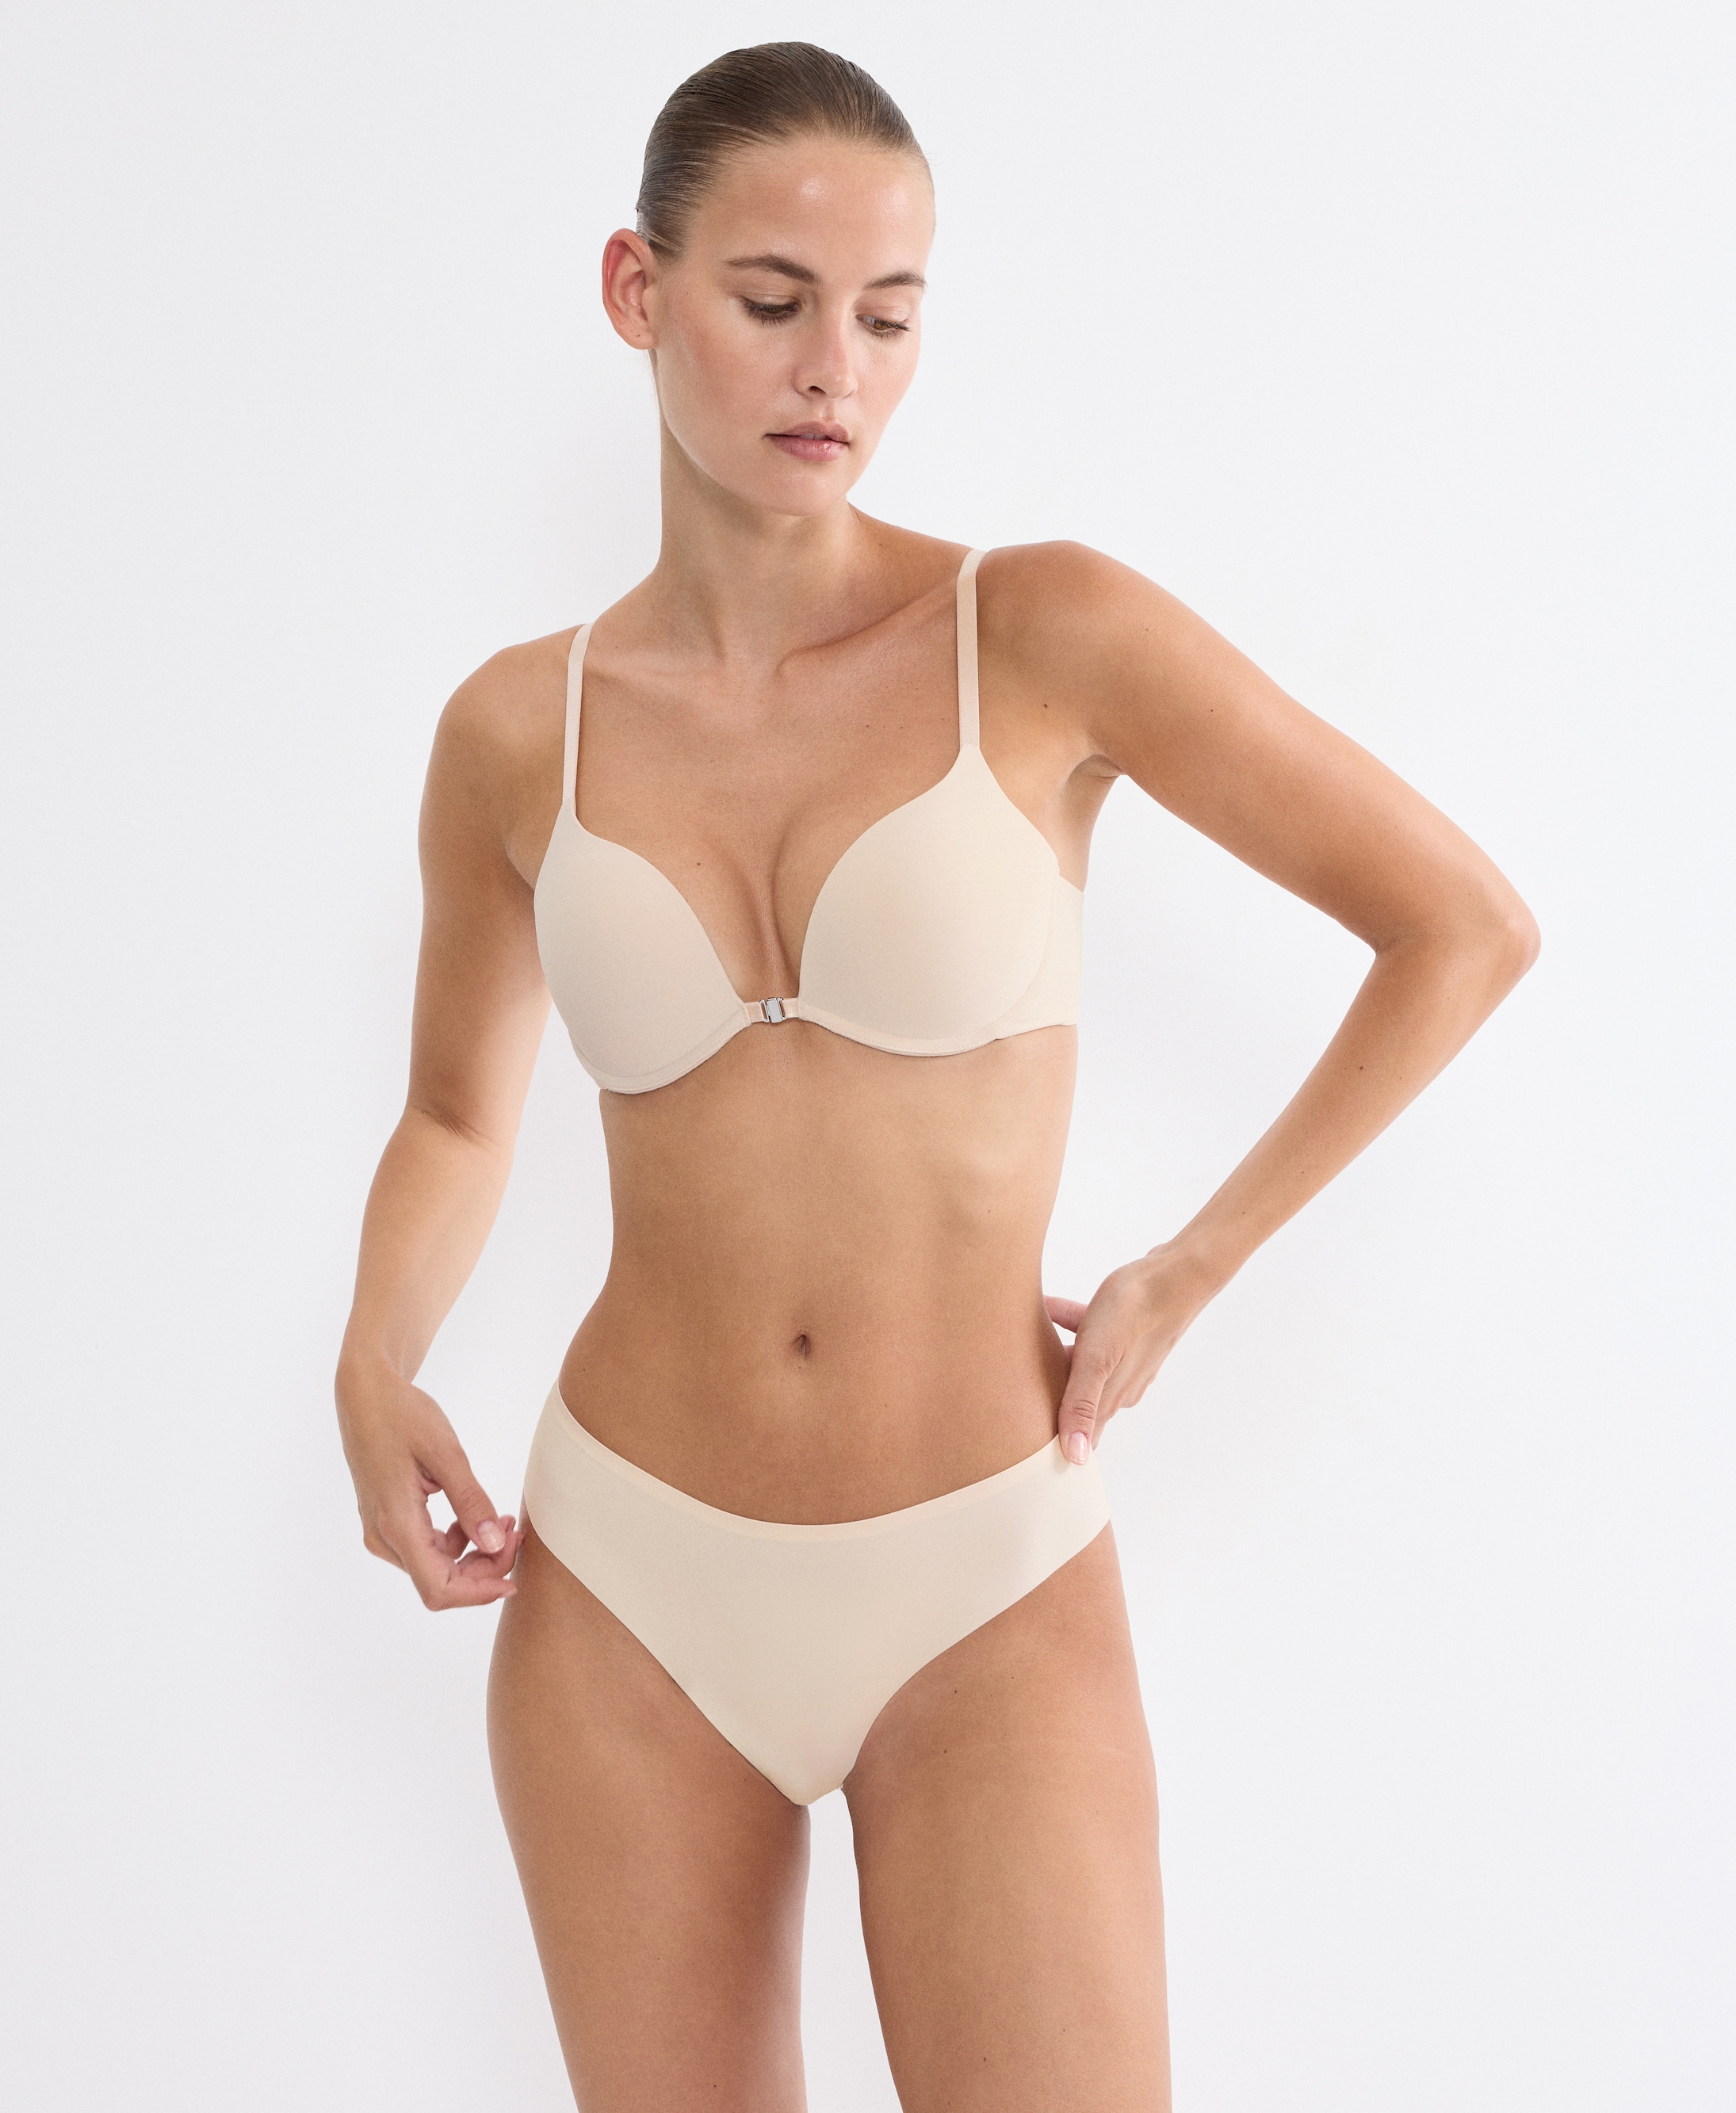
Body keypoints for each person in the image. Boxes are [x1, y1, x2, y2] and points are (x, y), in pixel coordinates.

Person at [333, 40, 1538, 2113]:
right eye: (773, 300)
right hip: (628, 1581)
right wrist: (372, 1361)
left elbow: (1461, 926)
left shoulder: (1040, 632)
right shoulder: (516, 733)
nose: (838, 370)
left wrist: (1194, 1265)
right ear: (636, 290)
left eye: (889, 317)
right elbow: (456, 1112)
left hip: (984, 1570)